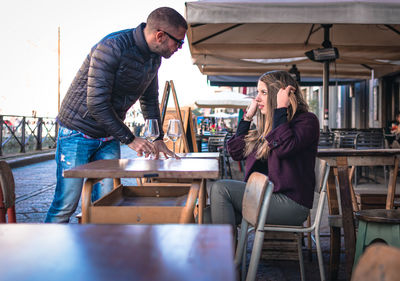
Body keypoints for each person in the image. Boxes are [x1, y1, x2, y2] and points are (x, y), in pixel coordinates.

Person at [45, 7, 187, 223]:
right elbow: (96, 104)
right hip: (77, 132)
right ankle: (46, 256)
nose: (179, 48)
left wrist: (157, 139)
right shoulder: (112, 47)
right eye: (179, 42)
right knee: (65, 205)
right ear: (160, 35)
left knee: (106, 204)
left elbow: (149, 100)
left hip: (108, 135)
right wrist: (130, 139)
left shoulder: (154, 58)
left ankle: (98, 255)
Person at [207, 70, 320, 236]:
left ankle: (226, 260)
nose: (257, 98)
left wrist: (281, 108)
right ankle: (227, 258)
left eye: (263, 92)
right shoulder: (267, 126)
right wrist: (247, 118)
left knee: (220, 189)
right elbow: (236, 152)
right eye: (258, 92)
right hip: (263, 196)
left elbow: (284, 148)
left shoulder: (307, 121)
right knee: (205, 216)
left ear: (280, 95)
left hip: (290, 203)